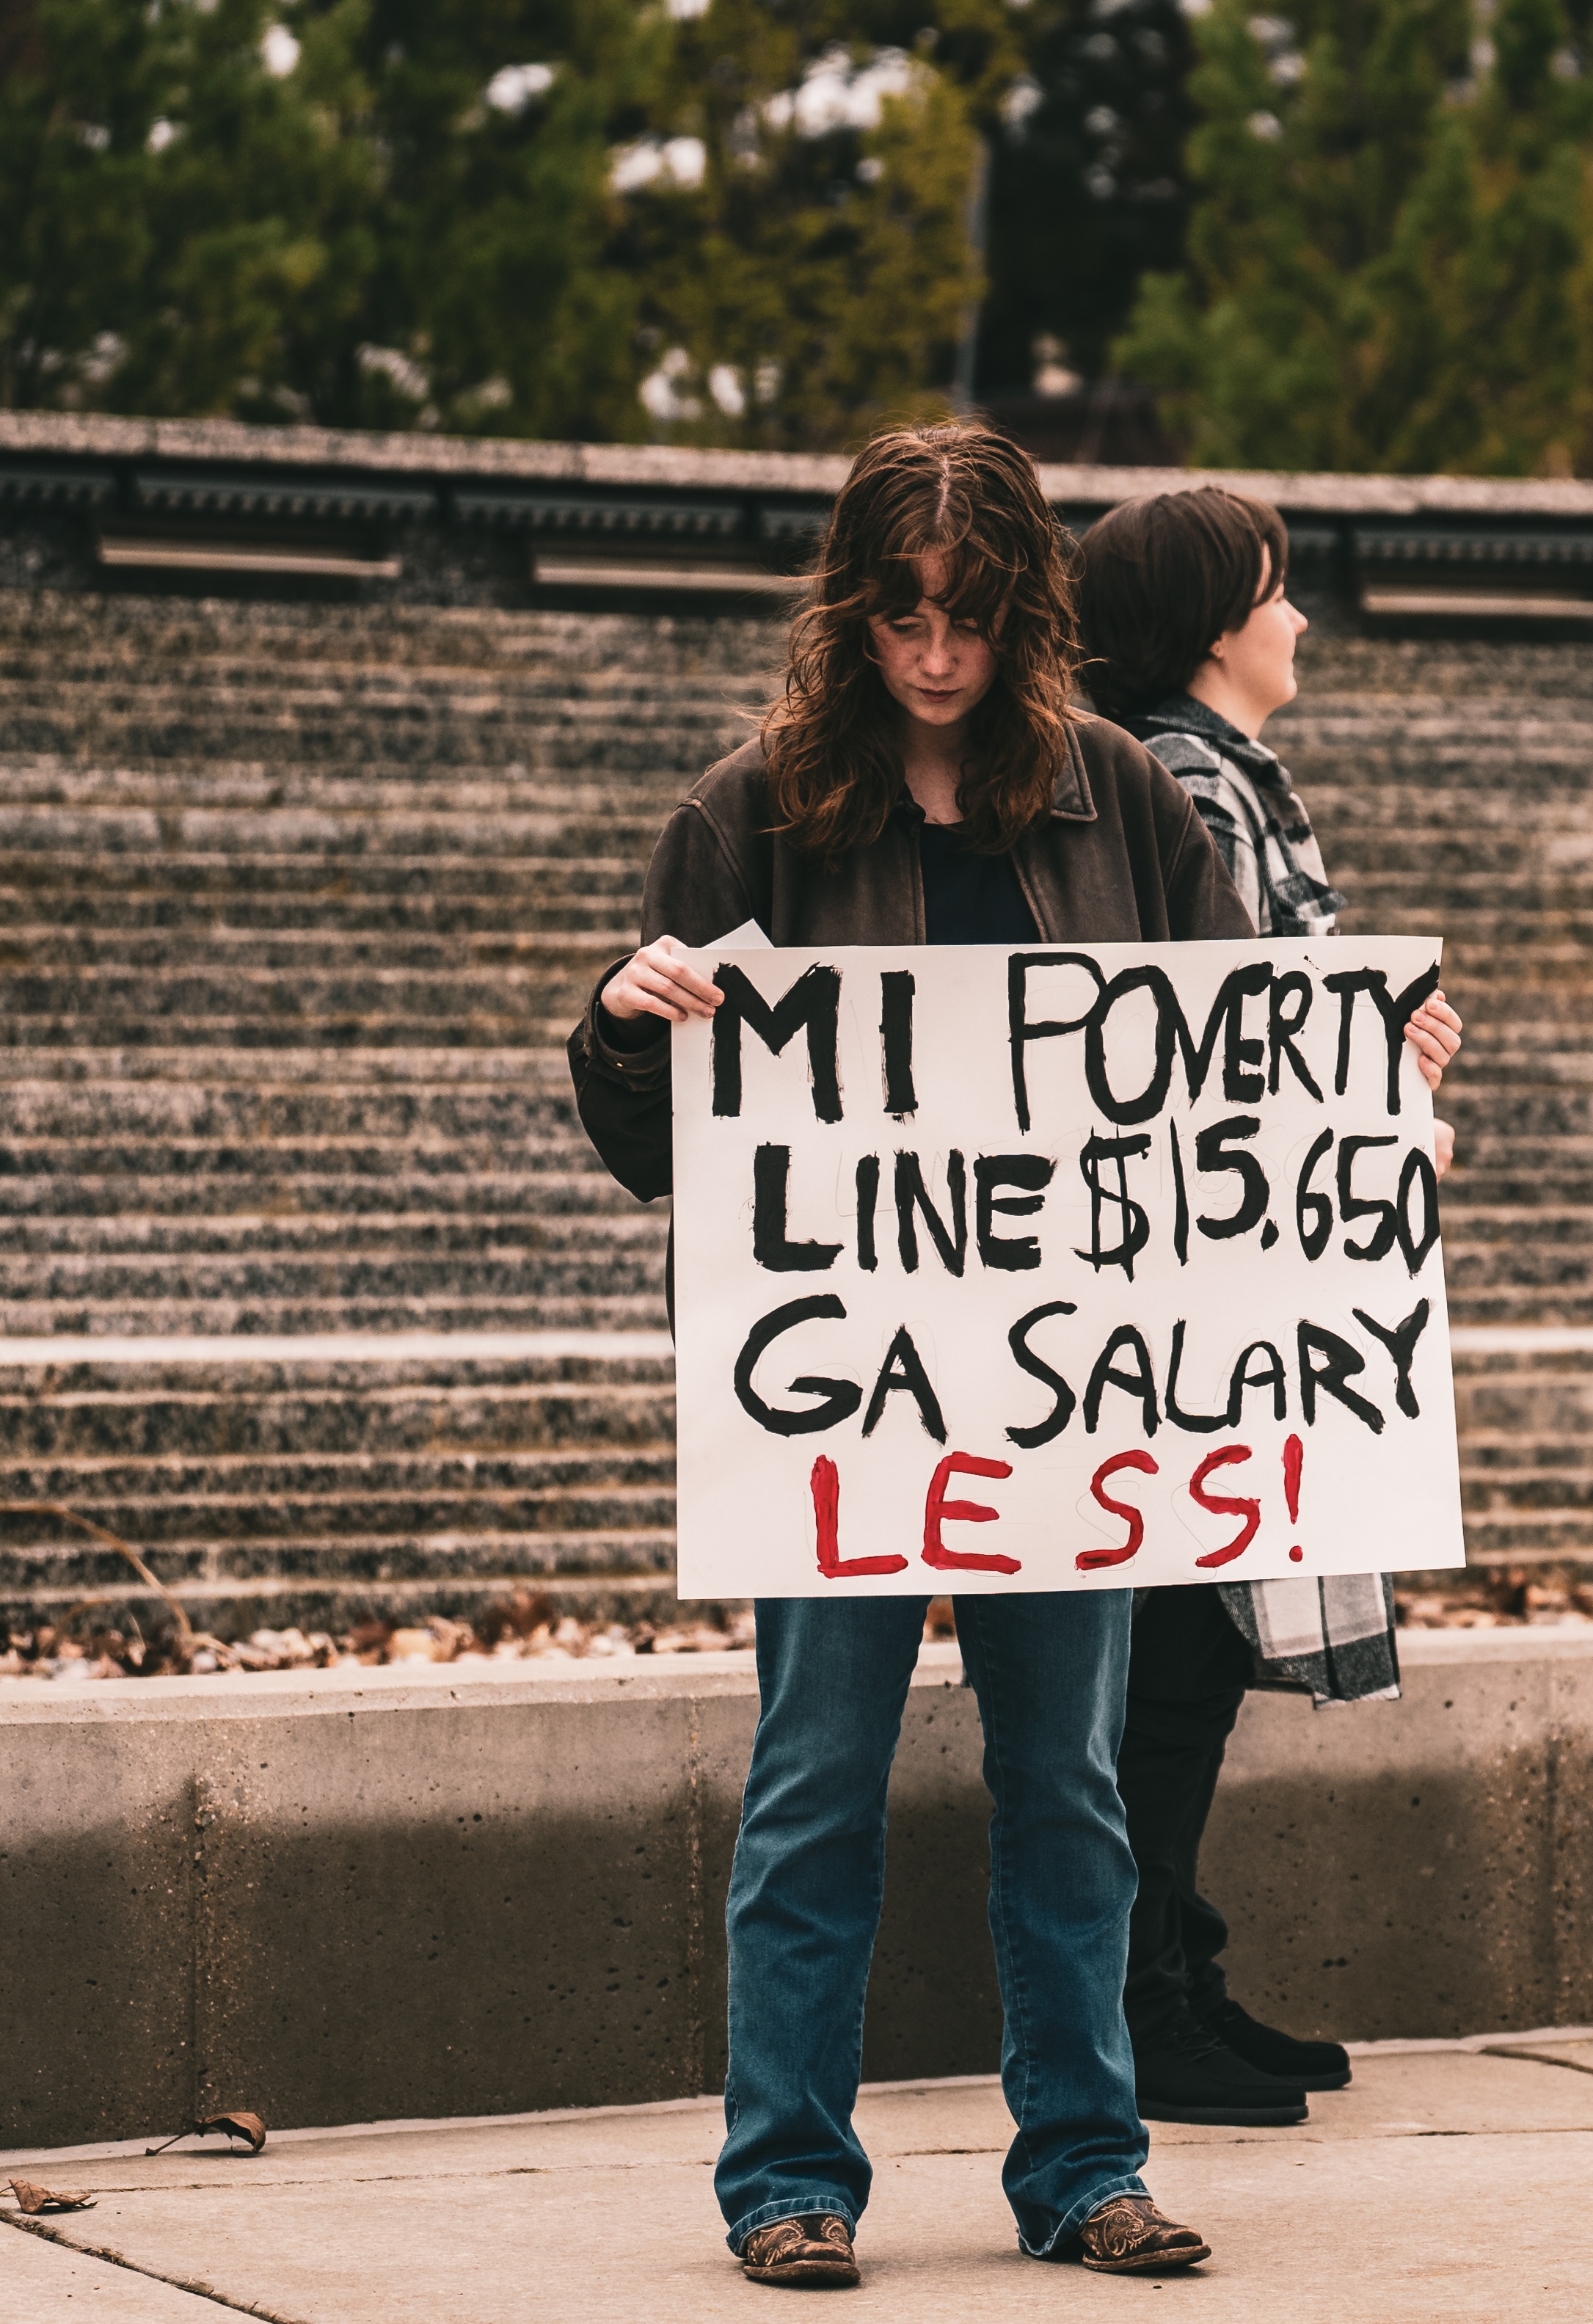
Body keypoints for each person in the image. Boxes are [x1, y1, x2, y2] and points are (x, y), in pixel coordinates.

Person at [568, 423, 1247, 2287]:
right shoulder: (751, 810)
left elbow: (1241, 1063)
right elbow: (654, 1147)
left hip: (1061, 1394)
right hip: (849, 1404)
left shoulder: (1123, 794)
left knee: (1074, 1787)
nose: (934, 654)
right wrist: (628, 1024)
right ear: (849, 611)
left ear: (1027, 611)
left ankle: (1085, 2166)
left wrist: (1380, 1064)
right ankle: (786, 2177)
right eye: (899, 614)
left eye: (968, 615)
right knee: (814, 1782)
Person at [1076, 485, 1462, 2129]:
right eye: (1277, 591)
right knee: (1177, 1651)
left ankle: (1173, 1971)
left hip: (1217, 1288)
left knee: (1190, 1648)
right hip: (1197, 1307)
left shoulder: (1226, 782)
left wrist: (1387, 1059)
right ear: (1215, 623)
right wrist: (1367, 1082)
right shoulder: (1191, 790)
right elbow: (1212, 1051)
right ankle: (1146, 2003)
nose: (1300, 618)